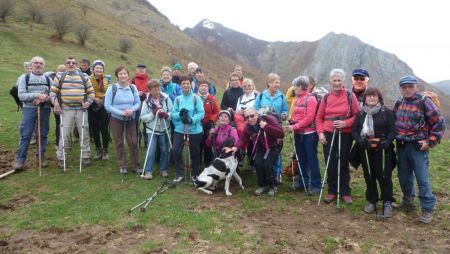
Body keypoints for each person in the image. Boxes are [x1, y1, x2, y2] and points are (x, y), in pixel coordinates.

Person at [393, 75, 445, 224]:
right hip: (402, 146)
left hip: (418, 147)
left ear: (416, 87)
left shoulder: (425, 102)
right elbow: (392, 121)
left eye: (410, 86)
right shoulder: (399, 102)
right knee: (404, 177)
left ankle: (427, 209)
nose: (407, 89)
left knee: (422, 179)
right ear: (401, 89)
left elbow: (439, 123)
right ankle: (408, 203)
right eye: (404, 87)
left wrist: (431, 141)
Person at [315, 68, 359, 204]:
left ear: (343, 81)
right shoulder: (326, 97)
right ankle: (332, 190)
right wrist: (320, 133)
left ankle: (345, 191)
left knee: (343, 162)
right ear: (330, 81)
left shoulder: (350, 96)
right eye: (334, 80)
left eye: (339, 80)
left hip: (345, 134)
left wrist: (345, 123)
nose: (337, 83)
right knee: (331, 162)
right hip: (328, 133)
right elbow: (319, 117)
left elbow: (357, 115)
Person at [352, 87, 396, 217]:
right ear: (365, 98)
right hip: (365, 149)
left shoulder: (386, 112)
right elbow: (354, 131)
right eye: (369, 96)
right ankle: (372, 200)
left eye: (374, 96)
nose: (372, 98)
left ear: (379, 98)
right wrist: (360, 141)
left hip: (382, 149)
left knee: (384, 176)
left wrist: (386, 142)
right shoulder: (361, 114)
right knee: (369, 175)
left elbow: (392, 131)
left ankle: (387, 201)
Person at [226, 107, 284, 196]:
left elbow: (281, 133)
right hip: (261, 147)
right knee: (257, 163)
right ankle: (262, 185)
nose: (250, 119)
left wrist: (266, 127)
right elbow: (242, 139)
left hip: (274, 145)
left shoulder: (267, 120)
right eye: (247, 117)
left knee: (267, 163)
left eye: (252, 116)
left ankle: (273, 186)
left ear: (257, 115)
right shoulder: (248, 127)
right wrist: (236, 147)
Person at [51, 56, 95, 169]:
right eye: (68, 62)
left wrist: (88, 103)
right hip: (65, 110)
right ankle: (61, 158)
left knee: (84, 134)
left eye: (73, 63)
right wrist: (56, 104)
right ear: (65, 64)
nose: (71, 64)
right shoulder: (60, 76)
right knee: (64, 134)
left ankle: (85, 156)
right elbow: (53, 93)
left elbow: (91, 92)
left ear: (77, 65)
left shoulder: (84, 76)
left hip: (81, 110)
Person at [13, 56, 53, 170]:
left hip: (44, 109)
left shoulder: (48, 79)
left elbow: (52, 95)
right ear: (31, 65)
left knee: (43, 134)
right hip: (29, 109)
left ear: (43, 65)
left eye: (41, 63)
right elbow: (21, 95)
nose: (38, 65)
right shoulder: (24, 78)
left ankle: (40, 157)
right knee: (26, 134)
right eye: (36, 63)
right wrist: (36, 95)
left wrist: (43, 98)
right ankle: (20, 160)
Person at [285, 76, 321, 195]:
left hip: (309, 134)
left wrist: (294, 126)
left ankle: (316, 185)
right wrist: (292, 121)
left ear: (300, 87)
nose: (293, 88)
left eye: (295, 86)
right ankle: (303, 182)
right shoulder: (298, 98)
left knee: (312, 159)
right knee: (301, 159)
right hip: (299, 133)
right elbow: (297, 116)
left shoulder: (311, 99)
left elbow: (309, 118)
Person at [104, 66, 141, 174]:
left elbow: (138, 103)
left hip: (130, 119)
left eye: (125, 73)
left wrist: (131, 110)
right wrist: (121, 112)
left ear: (128, 75)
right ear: (117, 76)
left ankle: (135, 165)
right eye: (120, 74)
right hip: (116, 119)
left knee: (133, 142)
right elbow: (107, 105)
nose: (123, 75)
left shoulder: (133, 87)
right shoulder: (112, 88)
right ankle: (122, 165)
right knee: (119, 142)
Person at [254, 73, 288, 181]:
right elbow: (255, 109)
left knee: (277, 149)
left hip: (277, 127)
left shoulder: (281, 96)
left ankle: (277, 173)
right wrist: (263, 113)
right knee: (265, 148)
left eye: (278, 82)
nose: (278, 85)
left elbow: (285, 110)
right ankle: (266, 173)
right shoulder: (261, 96)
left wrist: (284, 115)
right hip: (263, 126)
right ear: (269, 83)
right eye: (275, 82)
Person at [171, 76, 205, 182]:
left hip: (194, 130)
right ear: (180, 85)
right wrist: (180, 114)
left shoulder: (196, 98)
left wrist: (192, 120)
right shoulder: (177, 99)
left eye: (187, 83)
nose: (185, 85)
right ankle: (179, 173)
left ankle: (195, 174)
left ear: (191, 85)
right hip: (180, 130)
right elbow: (173, 114)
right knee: (176, 150)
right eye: (183, 83)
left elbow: (201, 113)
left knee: (195, 153)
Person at [140, 79, 173, 179]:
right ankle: (148, 171)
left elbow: (173, 113)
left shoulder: (166, 99)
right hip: (151, 129)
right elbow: (143, 117)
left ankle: (164, 169)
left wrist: (166, 115)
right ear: (150, 90)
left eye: (158, 89)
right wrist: (153, 114)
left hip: (165, 129)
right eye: (154, 90)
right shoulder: (146, 102)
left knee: (164, 150)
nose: (157, 92)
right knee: (151, 150)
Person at [88, 60, 110, 160]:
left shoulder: (106, 80)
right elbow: (85, 91)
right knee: (95, 129)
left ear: (103, 70)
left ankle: (105, 150)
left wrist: (102, 99)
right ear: (93, 69)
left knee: (104, 128)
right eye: (97, 68)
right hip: (92, 106)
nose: (99, 69)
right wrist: (93, 98)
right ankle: (98, 149)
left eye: (101, 68)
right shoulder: (87, 79)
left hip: (104, 106)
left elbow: (109, 92)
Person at [198, 79, 219, 166]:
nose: (204, 87)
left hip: (209, 124)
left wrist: (211, 120)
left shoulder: (212, 99)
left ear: (208, 88)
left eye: (206, 86)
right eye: (202, 86)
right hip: (197, 124)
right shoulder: (195, 97)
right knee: (198, 144)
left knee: (208, 144)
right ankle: (197, 162)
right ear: (198, 87)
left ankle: (208, 162)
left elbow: (217, 112)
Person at [131, 63, 149, 146]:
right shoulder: (132, 80)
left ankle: (147, 141)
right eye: (139, 68)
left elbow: (151, 92)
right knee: (135, 123)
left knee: (146, 124)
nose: (141, 70)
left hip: (146, 105)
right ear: (136, 70)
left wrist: (144, 94)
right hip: (135, 105)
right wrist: (136, 93)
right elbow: (129, 91)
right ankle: (137, 139)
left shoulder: (149, 80)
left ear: (145, 70)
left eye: (143, 68)